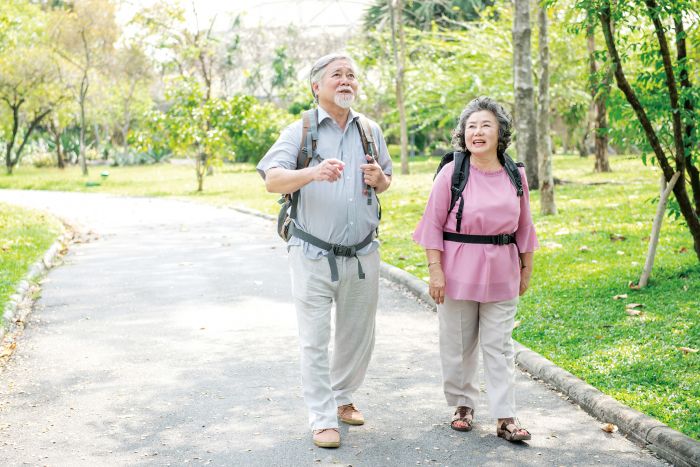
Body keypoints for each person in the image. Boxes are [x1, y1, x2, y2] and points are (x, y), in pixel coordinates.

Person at [257, 53, 392, 449]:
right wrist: (313, 173)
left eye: (352, 75)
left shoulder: (370, 130)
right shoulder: (298, 130)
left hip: (363, 254)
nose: (346, 81)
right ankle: (321, 418)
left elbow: (385, 182)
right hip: (312, 254)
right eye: (337, 75)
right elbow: (273, 180)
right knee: (315, 339)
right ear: (317, 86)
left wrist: (381, 178)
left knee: (356, 336)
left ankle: (343, 397)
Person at [412, 96, 538, 442]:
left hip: (502, 268)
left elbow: (524, 225)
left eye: (485, 125)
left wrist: (526, 268)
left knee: (499, 345)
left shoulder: (516, 174)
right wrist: (435, 271)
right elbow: (432, 225)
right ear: (462, 134)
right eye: (471, 126)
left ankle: (505, 416)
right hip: (457, 269)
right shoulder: (453, 172)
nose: (477, 132)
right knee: (458, 343)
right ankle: (463, 405)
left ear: (501, 133)